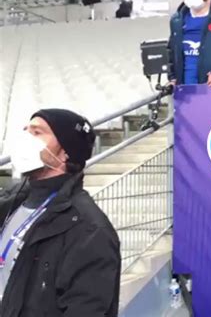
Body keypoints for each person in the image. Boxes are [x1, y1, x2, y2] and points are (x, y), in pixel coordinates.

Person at [0, 109, 121, 316]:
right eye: (25, 130)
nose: (25, 139)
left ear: (66, 152)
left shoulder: (89, 230)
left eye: (37, 133)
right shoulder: (14, 202)